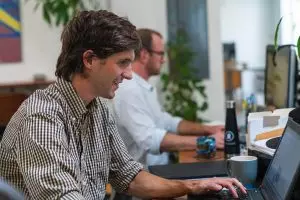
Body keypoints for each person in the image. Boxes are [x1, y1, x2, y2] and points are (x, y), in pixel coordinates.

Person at [0, 10, 245, 199]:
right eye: (122, 63)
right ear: (89, 60)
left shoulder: (97, 111)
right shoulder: (42, 116)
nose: (129, 75)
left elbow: (130, 177)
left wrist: (193, 186)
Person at [113, 28, 224, 167]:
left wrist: (208, 129)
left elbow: (166, 121)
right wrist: (206, 141)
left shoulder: (143, 87)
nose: (164, 60)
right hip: (145, 177)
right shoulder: (129, 90)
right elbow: (150, 139)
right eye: (160, 54)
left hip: (160, 168)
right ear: (144, 55)